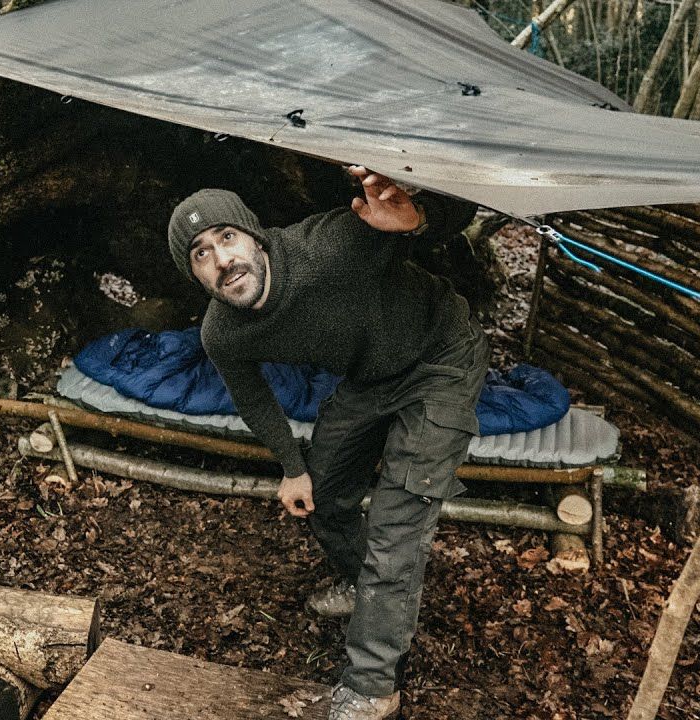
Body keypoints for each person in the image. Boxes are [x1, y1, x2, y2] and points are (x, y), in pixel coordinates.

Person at [166, 167, 490, 720]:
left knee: (397, 519)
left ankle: (371, 686)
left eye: (227, 238)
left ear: (255, 237)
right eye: (200, 254)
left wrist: (419, 215)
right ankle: (366, 586)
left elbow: (456, 217)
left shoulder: (329, 246)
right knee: (326, 489)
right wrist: (292, 466)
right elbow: (254, 398)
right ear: (194, 275)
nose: (222, 261)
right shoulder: (222, 331)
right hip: (370, 376)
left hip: (441, 357)